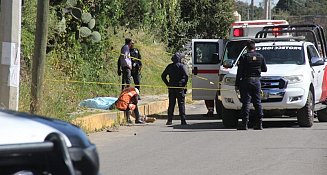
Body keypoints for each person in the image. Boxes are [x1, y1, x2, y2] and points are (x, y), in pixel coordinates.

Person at [235, 40, 267, 130]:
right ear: (254, 47)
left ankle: (244, 124)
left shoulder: (244, 57)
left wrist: (237, 84)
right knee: (257, 102)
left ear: (247, 48)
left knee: (246, 103)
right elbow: (265, 69)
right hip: (257, 81)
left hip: (246, 81)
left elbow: (239, 72)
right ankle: (259, 123)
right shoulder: (260, 56)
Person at [161, 52, 189, 125]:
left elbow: (163, 76)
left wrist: (168, 84)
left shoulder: (169, 66)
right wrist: (183, 84)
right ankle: (183, 120)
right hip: (180, 87)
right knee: (181, 104)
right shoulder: (182, 66)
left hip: (172, 87)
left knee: (171, 104)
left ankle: (169, 120)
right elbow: (186, 76)